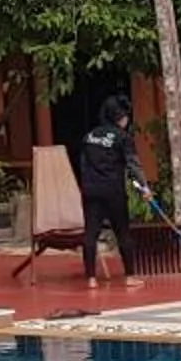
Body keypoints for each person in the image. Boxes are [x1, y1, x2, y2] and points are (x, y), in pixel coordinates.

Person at [74, 95, 139, 285]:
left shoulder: (89, 136)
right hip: (113, 191)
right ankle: (129, 277)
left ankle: (91, 279)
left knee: (90, 234)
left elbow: (82, 165)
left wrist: (86, 186)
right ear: (121, 117)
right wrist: (143, 188)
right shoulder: (122, 137)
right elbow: (132, 165)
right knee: (123, 233)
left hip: (91, 190)